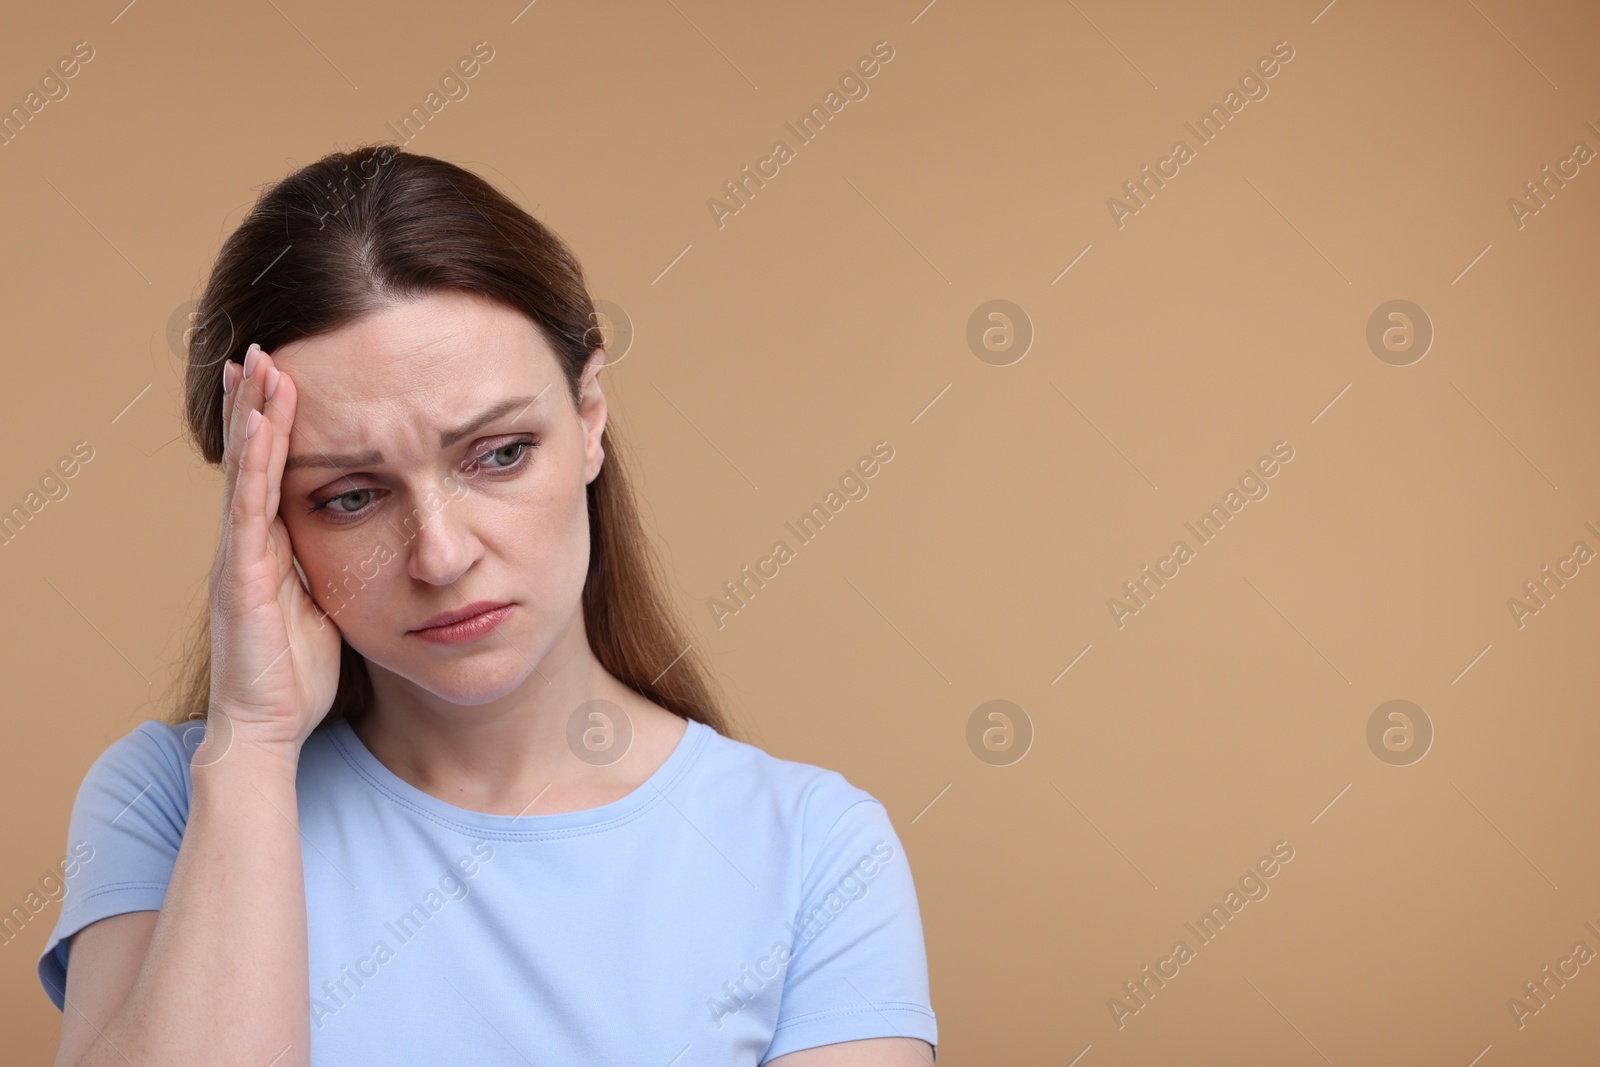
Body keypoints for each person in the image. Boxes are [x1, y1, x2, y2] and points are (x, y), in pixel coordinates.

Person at [37, 144, 937, 1067]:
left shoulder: (813, 851)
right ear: (262, 516)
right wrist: (254, 748)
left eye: (498, 453)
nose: (441, 552)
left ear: (589, 415)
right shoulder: (169, 799)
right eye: (350, 495)